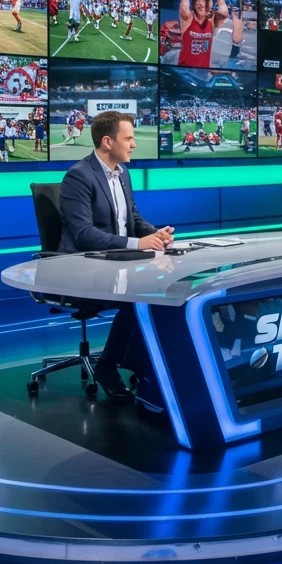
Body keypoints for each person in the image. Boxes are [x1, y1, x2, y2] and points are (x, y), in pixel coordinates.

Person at [59, 111, 174, 402]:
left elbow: (131, 217)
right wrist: (138, 243)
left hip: (119, 262)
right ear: (108, 142)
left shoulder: (123, 173)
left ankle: (142, 366)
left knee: (166, 292)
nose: (134, 144)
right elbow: (83, 234)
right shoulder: (79, 176)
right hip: (83, 267)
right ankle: (107, 366)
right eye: (129, 138)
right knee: (139, 299)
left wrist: (156, 234)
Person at [177, 0, 228, 67]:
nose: (202, 8)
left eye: (205, 6)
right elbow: (184, 8)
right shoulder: (189, 19)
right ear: (194, 5)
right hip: (185, 71)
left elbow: (224, 13)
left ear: (209, 4)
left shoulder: (211, 21)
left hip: (203, 73)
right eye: (199, 6)